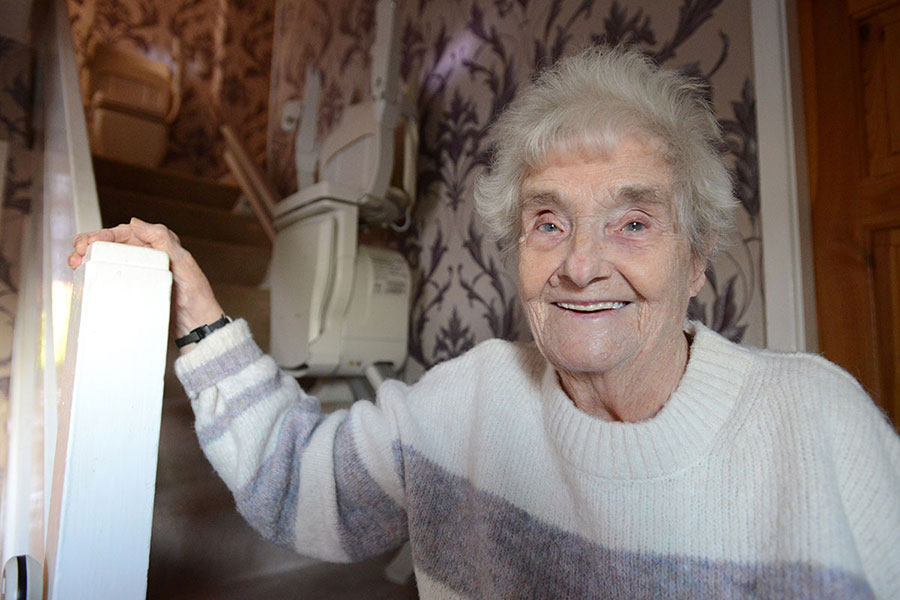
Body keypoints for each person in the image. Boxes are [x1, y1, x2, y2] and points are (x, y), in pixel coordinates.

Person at [69, 46, 900, 598]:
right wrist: (201, 313)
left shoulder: (818, 425)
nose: (580, 263)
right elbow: (295, 480)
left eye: (633, 223)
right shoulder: (467, 403)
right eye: (548, 222)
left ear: (696, 259)